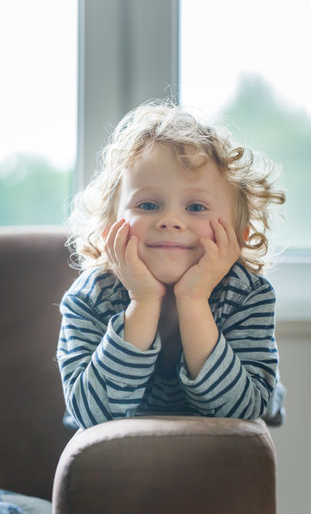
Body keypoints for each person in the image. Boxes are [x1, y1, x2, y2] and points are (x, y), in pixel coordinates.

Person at [57, 101, 286, 430]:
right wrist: (143, 300)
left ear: (237, 236)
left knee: (267, 395)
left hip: (242, 400)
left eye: (195, 206)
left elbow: (240, 410)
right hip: (122, 452)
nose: (170, 221)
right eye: (148, 204)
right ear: (108, 228)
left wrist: (194, 299)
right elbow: (94, 415)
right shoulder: (91, 298)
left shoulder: (247, 295)